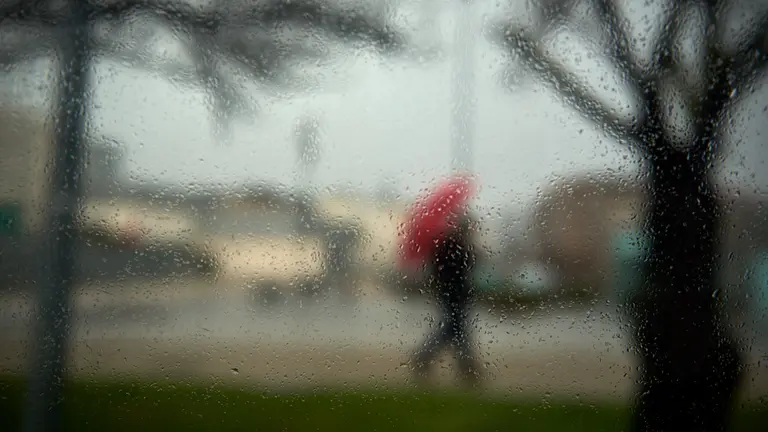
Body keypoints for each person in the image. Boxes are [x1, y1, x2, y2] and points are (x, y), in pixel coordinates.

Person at [410, 210, 481, 386]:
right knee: (455, 328)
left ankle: (430, 358)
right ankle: (462, 366)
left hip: (454, 292)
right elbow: (454, 268)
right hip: (454, 292)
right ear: (464, 227)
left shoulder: (451, 243)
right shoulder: (452, 244)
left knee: (456, 328)